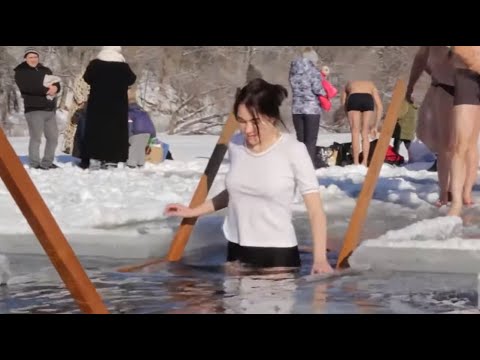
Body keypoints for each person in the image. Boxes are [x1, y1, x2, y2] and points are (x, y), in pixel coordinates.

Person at [164, 78, 333, 275]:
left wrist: (320, 260)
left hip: (277, 256)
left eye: (255, 122)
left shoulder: (293, 150)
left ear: (271, 117)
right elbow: (237, 192)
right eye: (242, 121)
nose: (248, 130)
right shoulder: (236, 145)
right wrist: (194, 211)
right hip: (236, 249)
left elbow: (316, 212)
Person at [406, 46, 456, 207]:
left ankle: (452, 190)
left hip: (455, 87)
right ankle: (448, 191)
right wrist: (411, 85)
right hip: (446, 87)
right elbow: (421, 59)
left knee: (454, 145)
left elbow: (421, 59)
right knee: (449, 144)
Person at [82, 46, 136, 170]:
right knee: (115, 132)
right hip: (117, 105)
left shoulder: (95, 64)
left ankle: (95, 157)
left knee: (96, 130)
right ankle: (112, 159)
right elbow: (132, 79)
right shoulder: (123, 66)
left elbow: (87, 78)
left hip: (97, 104)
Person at [14, 47, 61, 170]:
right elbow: (28, 87)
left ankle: (47, 163)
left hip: (49, 109)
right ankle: (35, 164)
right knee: (36, 138)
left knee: (53, 138)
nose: (33, 59)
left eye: (35, 57)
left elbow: (55, 82)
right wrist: (48, 90)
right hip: (34, 109)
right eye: (30, 57)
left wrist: (56, 88)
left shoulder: (45, 70)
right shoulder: (21, 71)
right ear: (25, 58)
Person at [447, 46, 480, 216]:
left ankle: (467, 192)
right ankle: (457, 201)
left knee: (473, 143)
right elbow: (458, 50)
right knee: (461, 143)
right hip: (468, 74)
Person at [289, 47, 326, 165]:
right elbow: (318, 89)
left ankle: (299, 164)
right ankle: (308, 166)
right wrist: (325, 88)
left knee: (300, 140)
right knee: (310, 140)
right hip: (311, 109)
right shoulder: (313, 71)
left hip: (296, 109)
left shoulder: (293, 70)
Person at [341, 80, 383, 166]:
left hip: (354, 98)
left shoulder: (349, 83)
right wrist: (375, 125)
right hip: (368, 98)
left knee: (355, 132)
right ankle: (364, 161)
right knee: (365, 133)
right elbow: (380, 106)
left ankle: (356, 162)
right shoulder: (371, 84)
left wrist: (347, 114)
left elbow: (344, 102)